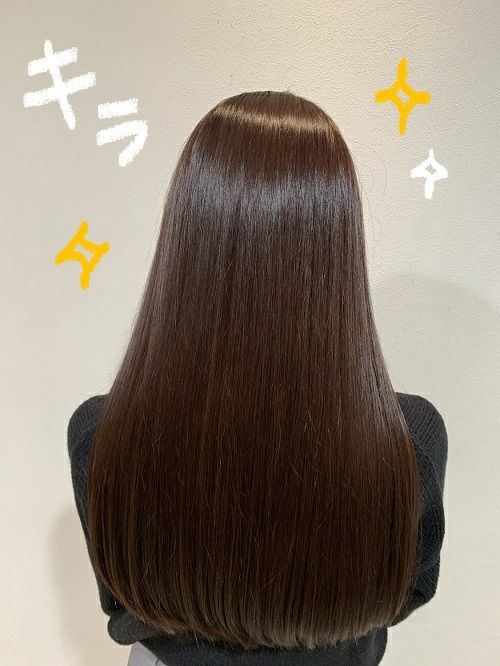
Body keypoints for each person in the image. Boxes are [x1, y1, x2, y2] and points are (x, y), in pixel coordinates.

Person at [67, 90, 448, 665]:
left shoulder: (102, 434)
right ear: (338, 244)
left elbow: (121, 595)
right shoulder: (408, 440)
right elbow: (404, 594)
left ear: (186, 236)